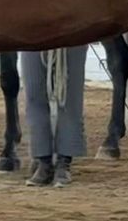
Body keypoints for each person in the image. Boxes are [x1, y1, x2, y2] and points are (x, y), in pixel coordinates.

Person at [21, 45, 89, 187]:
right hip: (31, 31)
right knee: (33, 91)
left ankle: (64, 160)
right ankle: (42, 159)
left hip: (70, 32)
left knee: (70, 93)